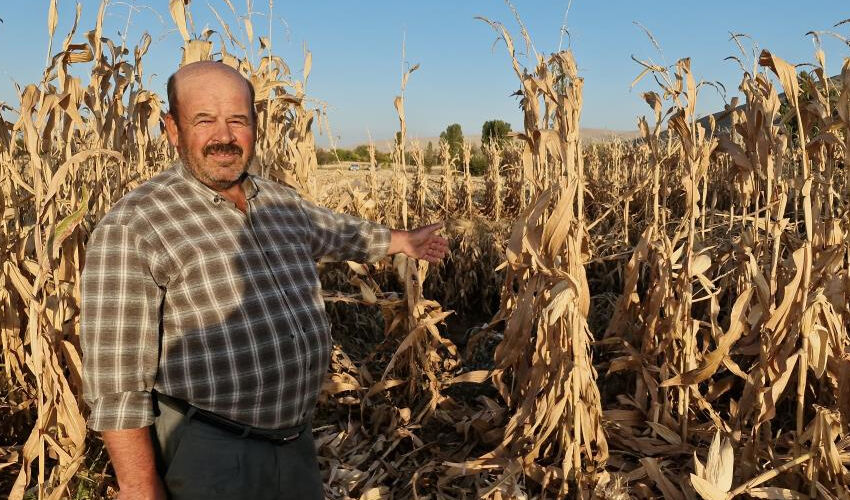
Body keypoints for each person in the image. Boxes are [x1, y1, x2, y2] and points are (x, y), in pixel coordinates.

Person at [80, 61, 449, 500]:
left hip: (293, 441)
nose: (224, 137)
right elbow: (116, 379)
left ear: (255, 126)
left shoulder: (278, 201)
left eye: (238, 120)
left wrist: (402, 241)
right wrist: (140, 486)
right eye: (204, 121)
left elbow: (333, 232)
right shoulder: (136, 224)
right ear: (172, 129)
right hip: (210, 452)